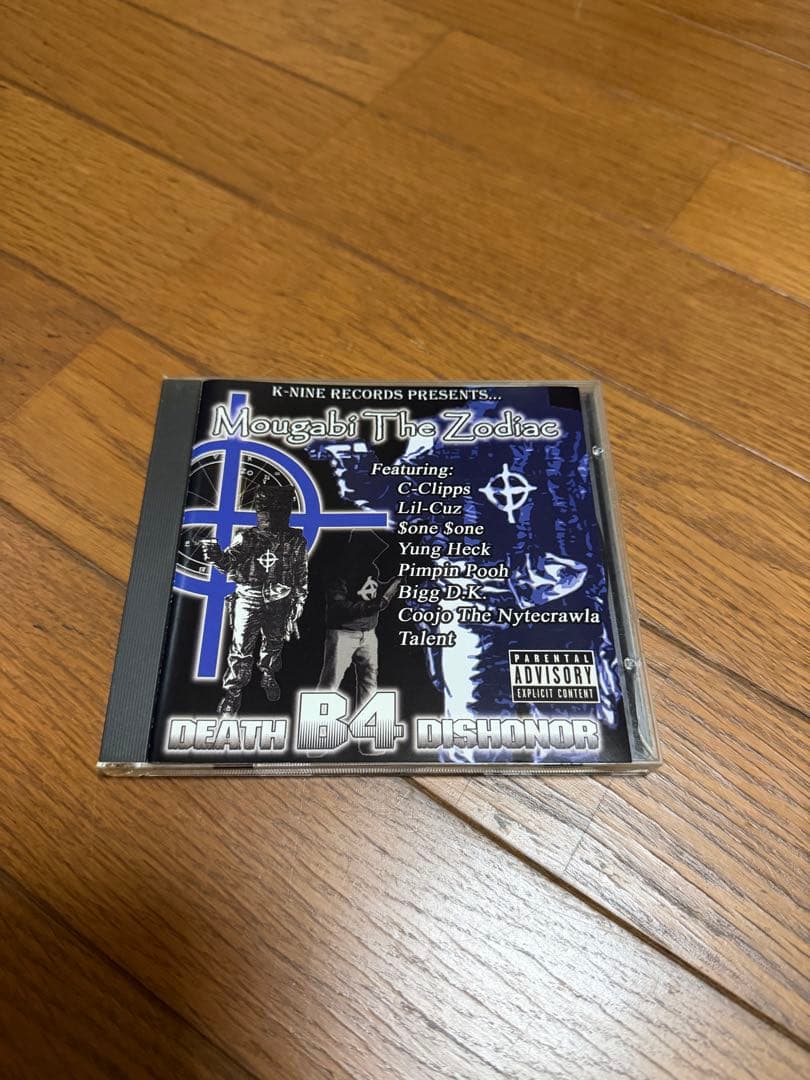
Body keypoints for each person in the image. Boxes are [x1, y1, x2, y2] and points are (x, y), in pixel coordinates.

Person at [201, 484, 307, 716]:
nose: (270, 518)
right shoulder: (246, 538)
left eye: (277, 511)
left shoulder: (295, 540)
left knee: (274, 642)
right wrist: (216, 557)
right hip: (248, 597)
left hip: (280, 598)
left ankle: (268, 674)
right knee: (241, 649)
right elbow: (229, 563)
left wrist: (299, 599)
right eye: (266, 512)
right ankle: (233, 692)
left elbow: (300, 572)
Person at [318, 534, 395, 706]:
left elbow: (370, 592)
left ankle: (366, 719)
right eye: (369, 551)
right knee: (331, 683)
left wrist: (391, 586)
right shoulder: (338, 571)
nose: (373, 556)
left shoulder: (372, 569)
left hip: (369, 633)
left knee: (370, 681)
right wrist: (372, 606)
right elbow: (339, 608)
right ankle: (317, 719)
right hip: (343, 633)